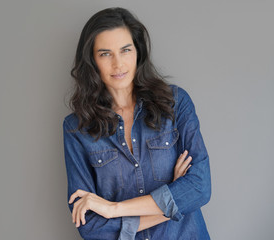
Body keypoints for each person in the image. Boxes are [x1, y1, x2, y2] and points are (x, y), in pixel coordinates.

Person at [63, 7, 211, 240]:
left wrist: (113, 209)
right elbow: (90, 227)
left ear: (138, 52)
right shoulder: (76, 129)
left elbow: (200, 187)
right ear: (91, 60)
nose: (118, 64)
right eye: (105, 54)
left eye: (125, 50)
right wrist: (174, 199)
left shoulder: (175, 103)